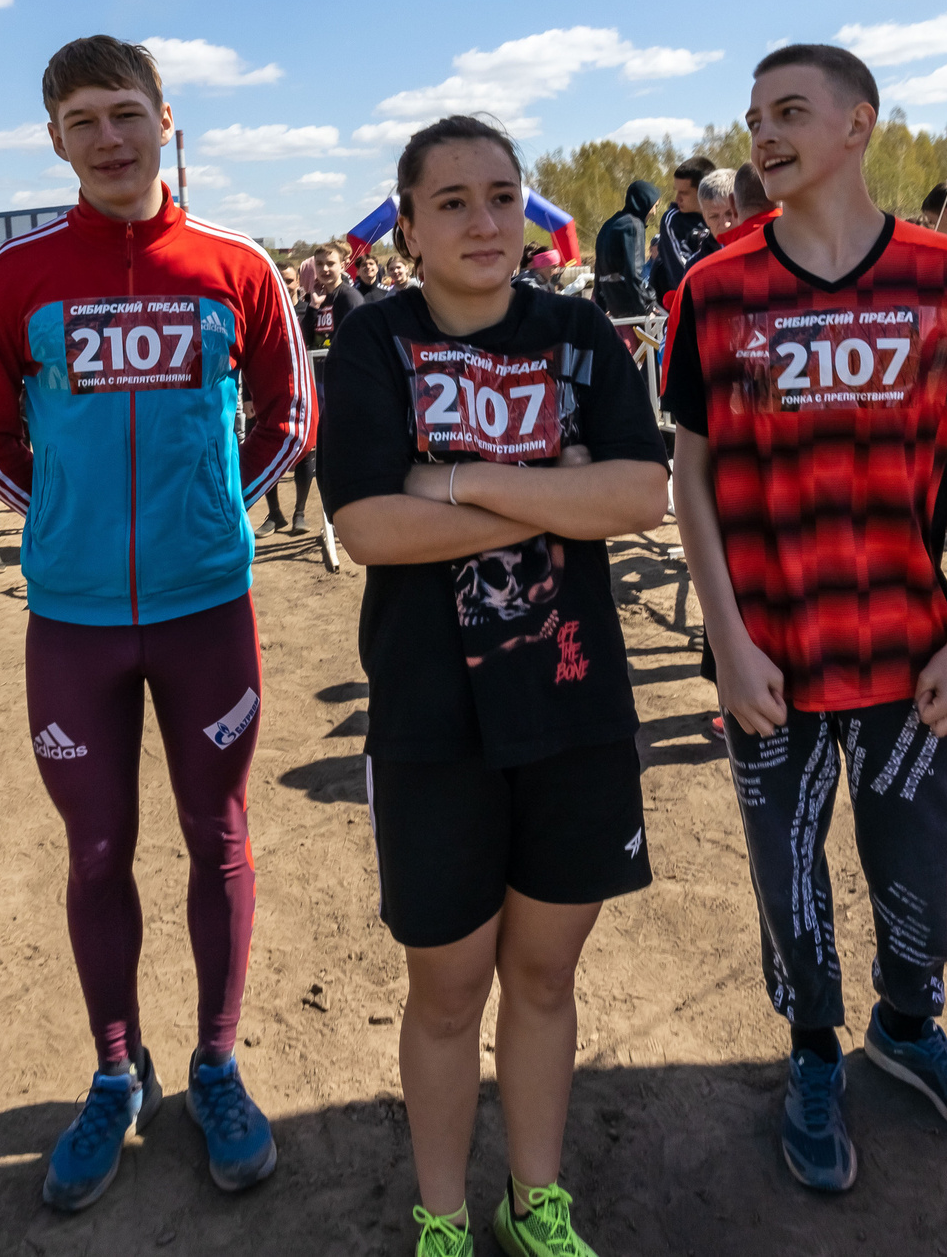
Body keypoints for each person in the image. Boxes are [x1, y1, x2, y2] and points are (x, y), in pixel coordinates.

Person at [0, 34, 313, 1214]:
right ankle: (117, 1072)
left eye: (125, 113)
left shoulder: (236, 265)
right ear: (54, 139)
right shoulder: (13, 280)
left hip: (209, 612)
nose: (108, 139)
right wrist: (67, 521)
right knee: (97, 850)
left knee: (219, 835)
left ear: (165, 119)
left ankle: (216, 1063)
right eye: (82, 122)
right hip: (74, 624)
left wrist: (211, 516)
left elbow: (289, 415)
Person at [666, 44, 947, 1198]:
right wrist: (726, 642)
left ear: (858, 124)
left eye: (789, 112)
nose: (764, 136)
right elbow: (689, 477)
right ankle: (813, 1051)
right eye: (753, 119)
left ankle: (908, 1028)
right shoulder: (712, 291)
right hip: (769, 660)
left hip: (909, 652)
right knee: (787, 877)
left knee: (919, 861)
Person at [324, 115, 669, 1257]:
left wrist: (457, 477)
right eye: (453, 201)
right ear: (409, 227)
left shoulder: (578, 334)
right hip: (432, 719)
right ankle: (442, 1215)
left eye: (503, 196)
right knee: (448, 989)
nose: (484, 221)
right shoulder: (373, 342)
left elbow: (638, 497)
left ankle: (535, 1200)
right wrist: (551, 491)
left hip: (573, 707)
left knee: (543, 974)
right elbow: (370, 526)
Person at [281, 246, 363, 537]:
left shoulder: (349, 297)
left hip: (344, 389)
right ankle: (333, 520)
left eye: (330, 263)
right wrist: (313, 309)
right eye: (320, 264)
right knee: (325, 459)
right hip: (320, 388)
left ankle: (352, 520)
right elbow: (303, 339)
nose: (325, 269)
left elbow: (358, 342)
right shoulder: (318, 299)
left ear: (343, 264)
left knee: (347, 457)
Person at [647, 154, 719, 296]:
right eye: (677, 191)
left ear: (703, 191)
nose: (677, 198)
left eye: (684, 193)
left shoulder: (724, 214)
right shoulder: (672, 220)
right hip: (689, 299)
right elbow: (684, 273)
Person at [591, 181, 660, 320]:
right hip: (632, 307)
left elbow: (599, 270)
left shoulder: (609, 224)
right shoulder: (634, 225)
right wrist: (647, 307)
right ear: (645, 201)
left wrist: (600, 305)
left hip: (613, 306)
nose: (654, 212)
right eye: (654, 206)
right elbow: (634, 273)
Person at [695, 168, 739, 239]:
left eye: (730, 213)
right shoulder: (696, 245)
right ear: (704, 217)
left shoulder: (758, 240)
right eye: (714, 216)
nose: (725, 224)